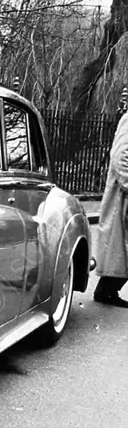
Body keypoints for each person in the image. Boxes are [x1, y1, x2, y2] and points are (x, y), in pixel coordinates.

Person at [93, 111, 128, 308]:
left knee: (122, 248)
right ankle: (106, 290)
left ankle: (107, 290)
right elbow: (120, 157)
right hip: (123, 195)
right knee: (120, 246)